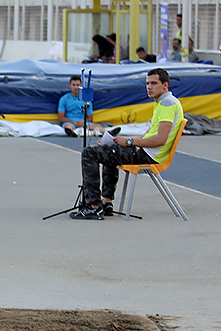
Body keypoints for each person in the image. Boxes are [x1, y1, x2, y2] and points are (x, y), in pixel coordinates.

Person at [71, 68, 183, 220]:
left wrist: (130, 142)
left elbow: (160, 140)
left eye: (154, 83)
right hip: (146, 151)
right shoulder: (162, 102)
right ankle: (107, 202)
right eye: (147, 83)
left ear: (165, 85)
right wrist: (121, 141)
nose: (149, 87)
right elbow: (149, 135)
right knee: (107, 150)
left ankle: (93, 207)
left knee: (89, 153)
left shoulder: (167, 104)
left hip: (149, 155)